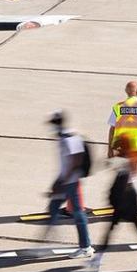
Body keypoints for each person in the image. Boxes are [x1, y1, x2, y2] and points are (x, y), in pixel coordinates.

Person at [89, 156, 137, 272]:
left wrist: (113, 200)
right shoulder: (134, 163)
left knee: (110, 231)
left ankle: (97, 260)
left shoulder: (124, 167)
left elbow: (117, 185)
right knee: (134, 231)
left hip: (125, 202)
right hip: (131, 201)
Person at [42, 111, 93, 259]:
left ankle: (86, 247)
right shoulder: (62, 138)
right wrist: (57, 182)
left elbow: (76, 160)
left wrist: (64, 181)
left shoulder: (70, 138)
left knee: (78, 213)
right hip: (65, 180)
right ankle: (48, 241)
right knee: (53, 208)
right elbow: (65, 164)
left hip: (71, 181)